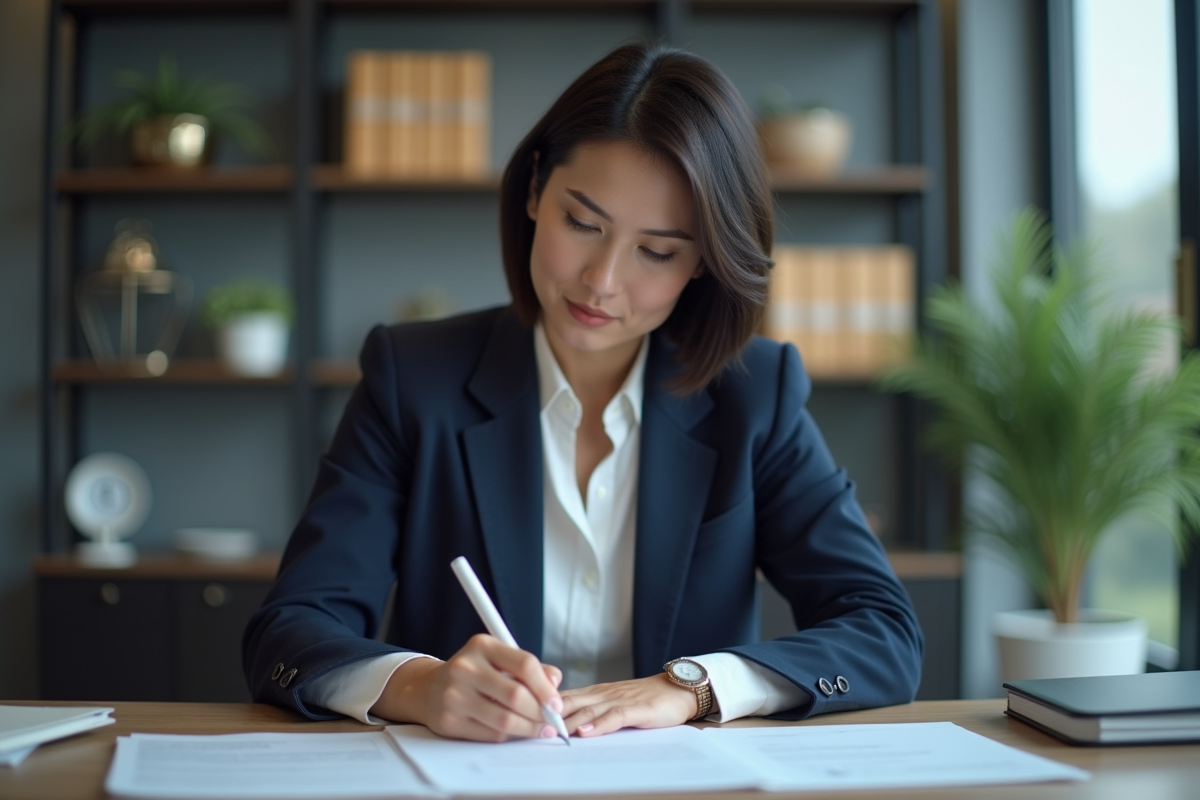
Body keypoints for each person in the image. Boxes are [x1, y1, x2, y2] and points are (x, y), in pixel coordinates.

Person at [243, 41, 923, 743]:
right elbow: (288, 634)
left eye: (656, 251)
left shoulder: (754, 395)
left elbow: (884, 634)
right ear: (535, 189)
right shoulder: (413, 377)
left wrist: (688, 689)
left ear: (702, 263)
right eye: (582, 223)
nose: (602, 280)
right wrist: (421, 686)